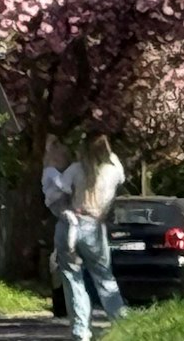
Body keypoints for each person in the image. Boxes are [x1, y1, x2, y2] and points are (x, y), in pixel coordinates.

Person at [57, 134, 129, 340]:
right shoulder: (113, 171)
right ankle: (122, 324)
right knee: (105, 278)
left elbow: (60, 187)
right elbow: (121, 175)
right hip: (95, 227)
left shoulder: (76, 169)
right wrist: (110, 154)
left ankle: (81, 331)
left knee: (73, 279)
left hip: (73, 223)